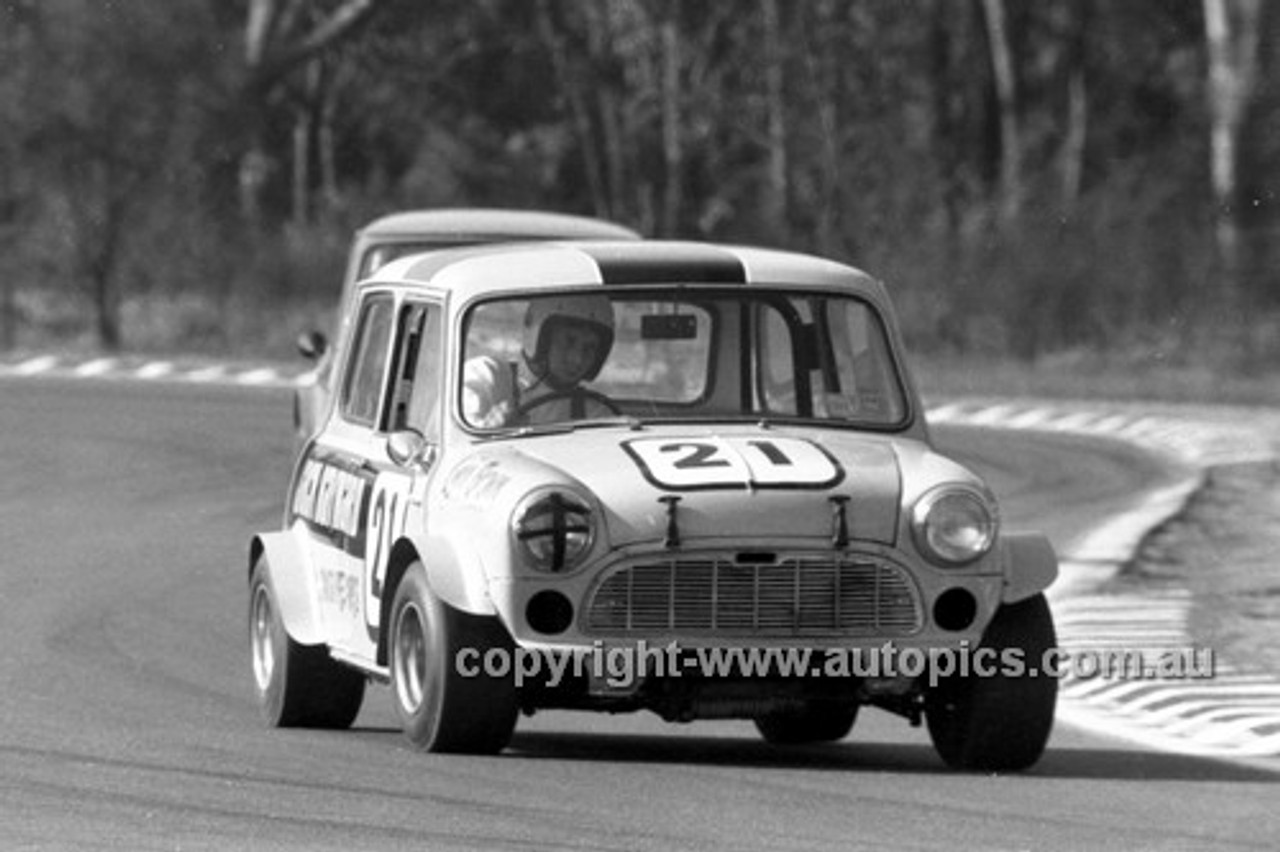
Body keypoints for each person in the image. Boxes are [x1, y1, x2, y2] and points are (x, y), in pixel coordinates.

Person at [463, 293, 617, 427]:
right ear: (541, 339)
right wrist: (489, 430)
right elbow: (458, 443)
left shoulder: (595, 413)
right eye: (569, 341)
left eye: (589, 348)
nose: (577, 359)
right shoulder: (486, 377)